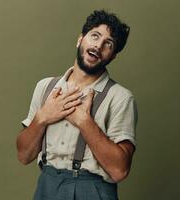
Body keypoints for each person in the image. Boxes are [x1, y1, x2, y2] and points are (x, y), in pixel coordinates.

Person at [16, 9, 138, 200]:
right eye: (95, 36)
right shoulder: (45, 87)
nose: (98, 46)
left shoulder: (120, 98)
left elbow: (119, 171)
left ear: (113, 56)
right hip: (47, 186)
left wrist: (84, 122)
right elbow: (23, 156)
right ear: (80, 39)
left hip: (92, 190)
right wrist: (42, 117)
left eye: (108, 44)